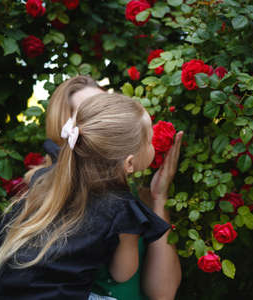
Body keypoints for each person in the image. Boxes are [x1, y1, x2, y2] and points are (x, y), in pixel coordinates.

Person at [0, 93, 174, 300]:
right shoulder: (122, 208)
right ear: (128, 163)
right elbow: (123, 273)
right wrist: (130, 238)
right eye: (149, 140)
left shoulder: (43, 184)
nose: (152, 145)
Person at [25, 76, 182, 300]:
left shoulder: (132, 195)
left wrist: (159, 198)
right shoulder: (42, 190)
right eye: (90, 111)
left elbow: (163, 293)